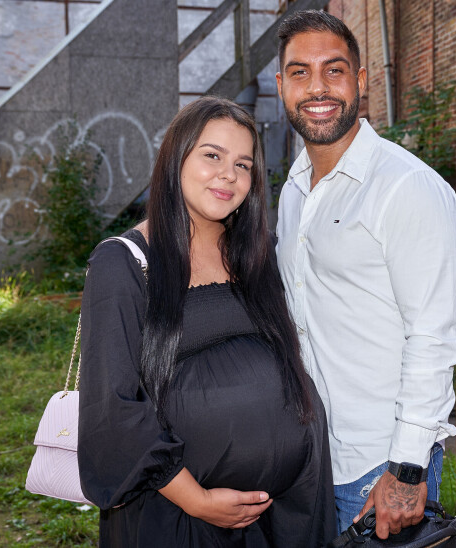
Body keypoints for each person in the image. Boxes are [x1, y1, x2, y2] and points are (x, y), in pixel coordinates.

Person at [78, 96, 336, 547]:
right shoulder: (124, 263)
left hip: (288, 513)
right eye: (212, 156)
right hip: (179, 519)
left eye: (243, 164)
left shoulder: (260, 254)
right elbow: (111, 408)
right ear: (176, 157)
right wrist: (195, 498)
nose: (228, 175)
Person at [274, 10, 456, 541]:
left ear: (360, 81)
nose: (317, 87)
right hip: (312, 456)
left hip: (377, 466)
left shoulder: (407, 187)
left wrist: (406, 470)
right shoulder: (293, 189)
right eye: (299, 72)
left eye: (334, 71)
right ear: (281, 86)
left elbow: (434, 334)